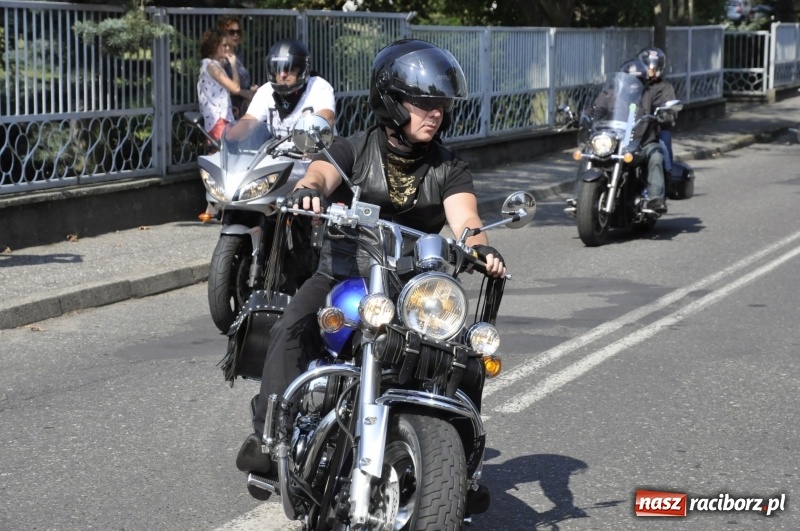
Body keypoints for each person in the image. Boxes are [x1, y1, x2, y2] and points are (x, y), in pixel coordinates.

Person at [235, 39, 505, 512]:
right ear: (390, 101)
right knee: (290, 327)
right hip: (343, 273)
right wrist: (307, 192)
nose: (435, 113)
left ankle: (462, 466)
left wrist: (481, 249)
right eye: (422, 103)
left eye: (439, 105)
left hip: (412, 287)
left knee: (466, 354)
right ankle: (268, 436)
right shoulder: (352, 149)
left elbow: (466, 222)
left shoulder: (449, 167)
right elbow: (319, 175)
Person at [197, 28, 257, 221]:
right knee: (220, 161)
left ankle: (213, 208)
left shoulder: (213, 65)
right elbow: (235, 88)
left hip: (222, 117)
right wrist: (232, 65)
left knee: (223, 160)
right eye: (223, 45)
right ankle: (215, 207)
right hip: (217, 120)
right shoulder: (212, 65)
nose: (227, 48)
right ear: (214, 46)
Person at [242, 39, 335, 139]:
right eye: (278, 69)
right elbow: (247, 124)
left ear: (303, 69)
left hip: (315, 150)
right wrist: (227, 139)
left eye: (290, 69)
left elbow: (326, 118)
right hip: (277, 153)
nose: (282, 75)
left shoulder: (318, 86)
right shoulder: (266, 91)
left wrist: (309, 145)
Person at [636, 46, 678, 214]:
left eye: (654, 67)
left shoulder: (664, 87)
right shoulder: (634, 85)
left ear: (660, 68)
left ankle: (666, 181)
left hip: (654, 129)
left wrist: (666, 115)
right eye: (647, 66)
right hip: (632, 131)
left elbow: (671, 109)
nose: (650, 70)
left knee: (662, 146)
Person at [216, 16, 257, 120]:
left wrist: (251, 90)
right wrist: (246, 93)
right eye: (231, 32)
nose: (236, 35)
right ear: (223, 33)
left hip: (244, 107)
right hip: (231, 109)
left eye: (238, 32)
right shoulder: (221, 58)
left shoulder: (238, 55)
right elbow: (223, 87)